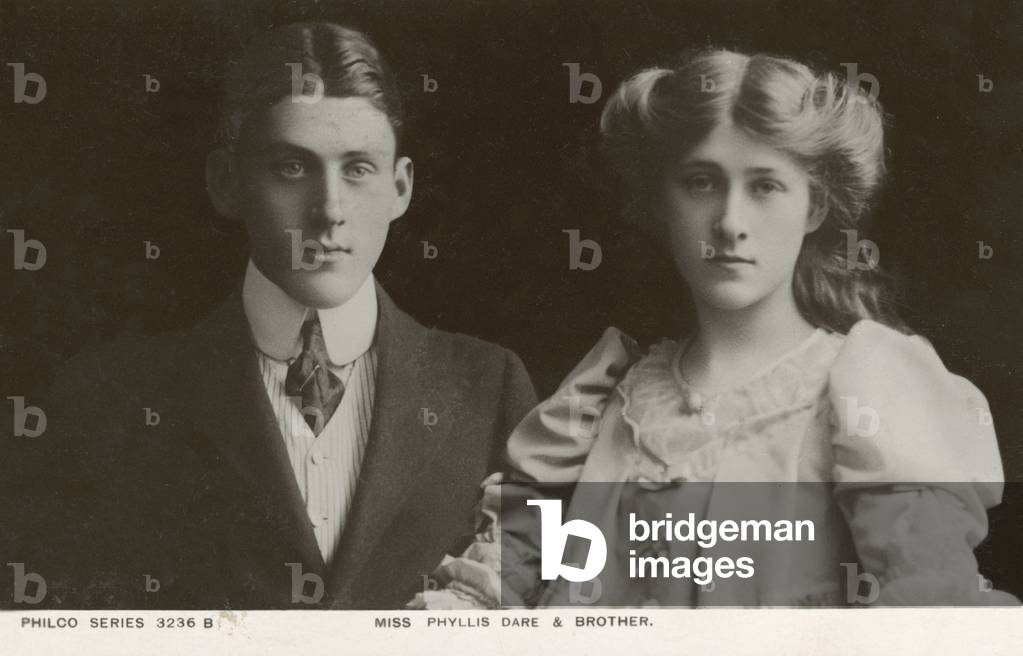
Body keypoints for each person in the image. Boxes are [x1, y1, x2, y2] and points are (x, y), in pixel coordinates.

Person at [409, 48, 1016, 608]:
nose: (729, 221)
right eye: (701, 183)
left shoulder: (870, 390)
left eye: (765, 186)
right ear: (659, 202)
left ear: (815, 207)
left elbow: (927, 614)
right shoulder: (600, 398)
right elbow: (485, 595)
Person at [19, 21, 536, 610]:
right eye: (293, 167)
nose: (330, 210)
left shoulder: (491, 388)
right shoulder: (108, 397)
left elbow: (535, 609)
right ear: (226, 182)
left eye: (358, 169)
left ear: (400, 188)